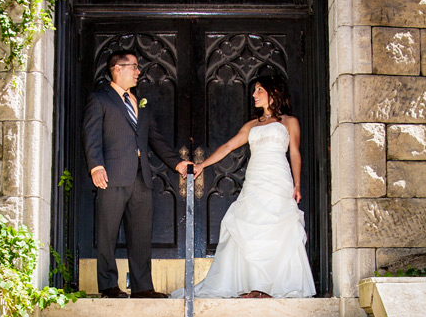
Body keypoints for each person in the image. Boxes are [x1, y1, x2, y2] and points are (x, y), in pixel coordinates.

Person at [172, 74, 316, 299]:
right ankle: (252, 285)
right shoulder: (252, 125)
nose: (254, 95)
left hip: (278, 178)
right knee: (248, 227)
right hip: (256, 179)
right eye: (254, 90)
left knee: (277, 228)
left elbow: (295, 153)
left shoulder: (289, 122)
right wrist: (202, 165)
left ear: (273, 93)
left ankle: (272, 287)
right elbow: (229, 146)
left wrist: (297, 184)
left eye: (259, 90)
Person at [82, 50, 189, 298]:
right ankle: (108, 285)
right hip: (112, 176)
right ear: (117, 69)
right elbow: (91, 135)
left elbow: (156, 139)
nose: (138, 72)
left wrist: (177, 164)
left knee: (141, 235)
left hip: (142, 178)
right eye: (134, 67)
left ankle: (143, 287)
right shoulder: (100, 99)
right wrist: (96, 165)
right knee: (107, 233)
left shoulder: (139, 102)